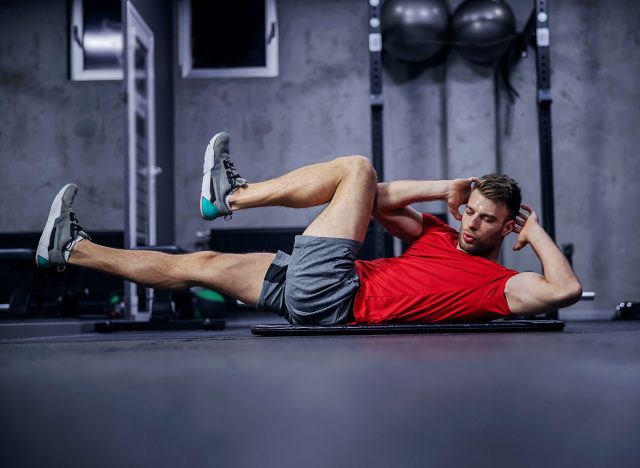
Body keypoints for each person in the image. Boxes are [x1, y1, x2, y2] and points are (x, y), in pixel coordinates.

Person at [35, 132, 582, 324]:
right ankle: (73, 249)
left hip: (335, 292)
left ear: (505, 226)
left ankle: (234, 196)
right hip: (320, 287)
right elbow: (373, 202)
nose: (470, 225)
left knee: (356, 167)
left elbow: (564, 289)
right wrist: (444, 191)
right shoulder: (439, 233)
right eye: (470, 211)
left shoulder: (500, 288)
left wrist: (532, 232)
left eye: (487, 220)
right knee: (195, 266)